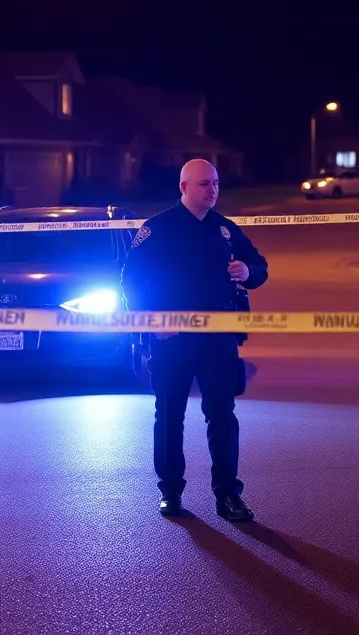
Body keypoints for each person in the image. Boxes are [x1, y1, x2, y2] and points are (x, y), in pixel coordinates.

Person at [121, 158, 268, 520]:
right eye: (204, 184)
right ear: (184, 187)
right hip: (171, 340)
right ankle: (170, 492)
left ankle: (228, 496)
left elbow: (259, 266)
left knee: (222, 416)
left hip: (219, 339)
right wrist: (151, 321)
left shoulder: (226, 229)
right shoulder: (157, 229)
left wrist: (248, 271)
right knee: (170, 416)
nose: (212, 190)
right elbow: (131, 279)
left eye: (215, 183)